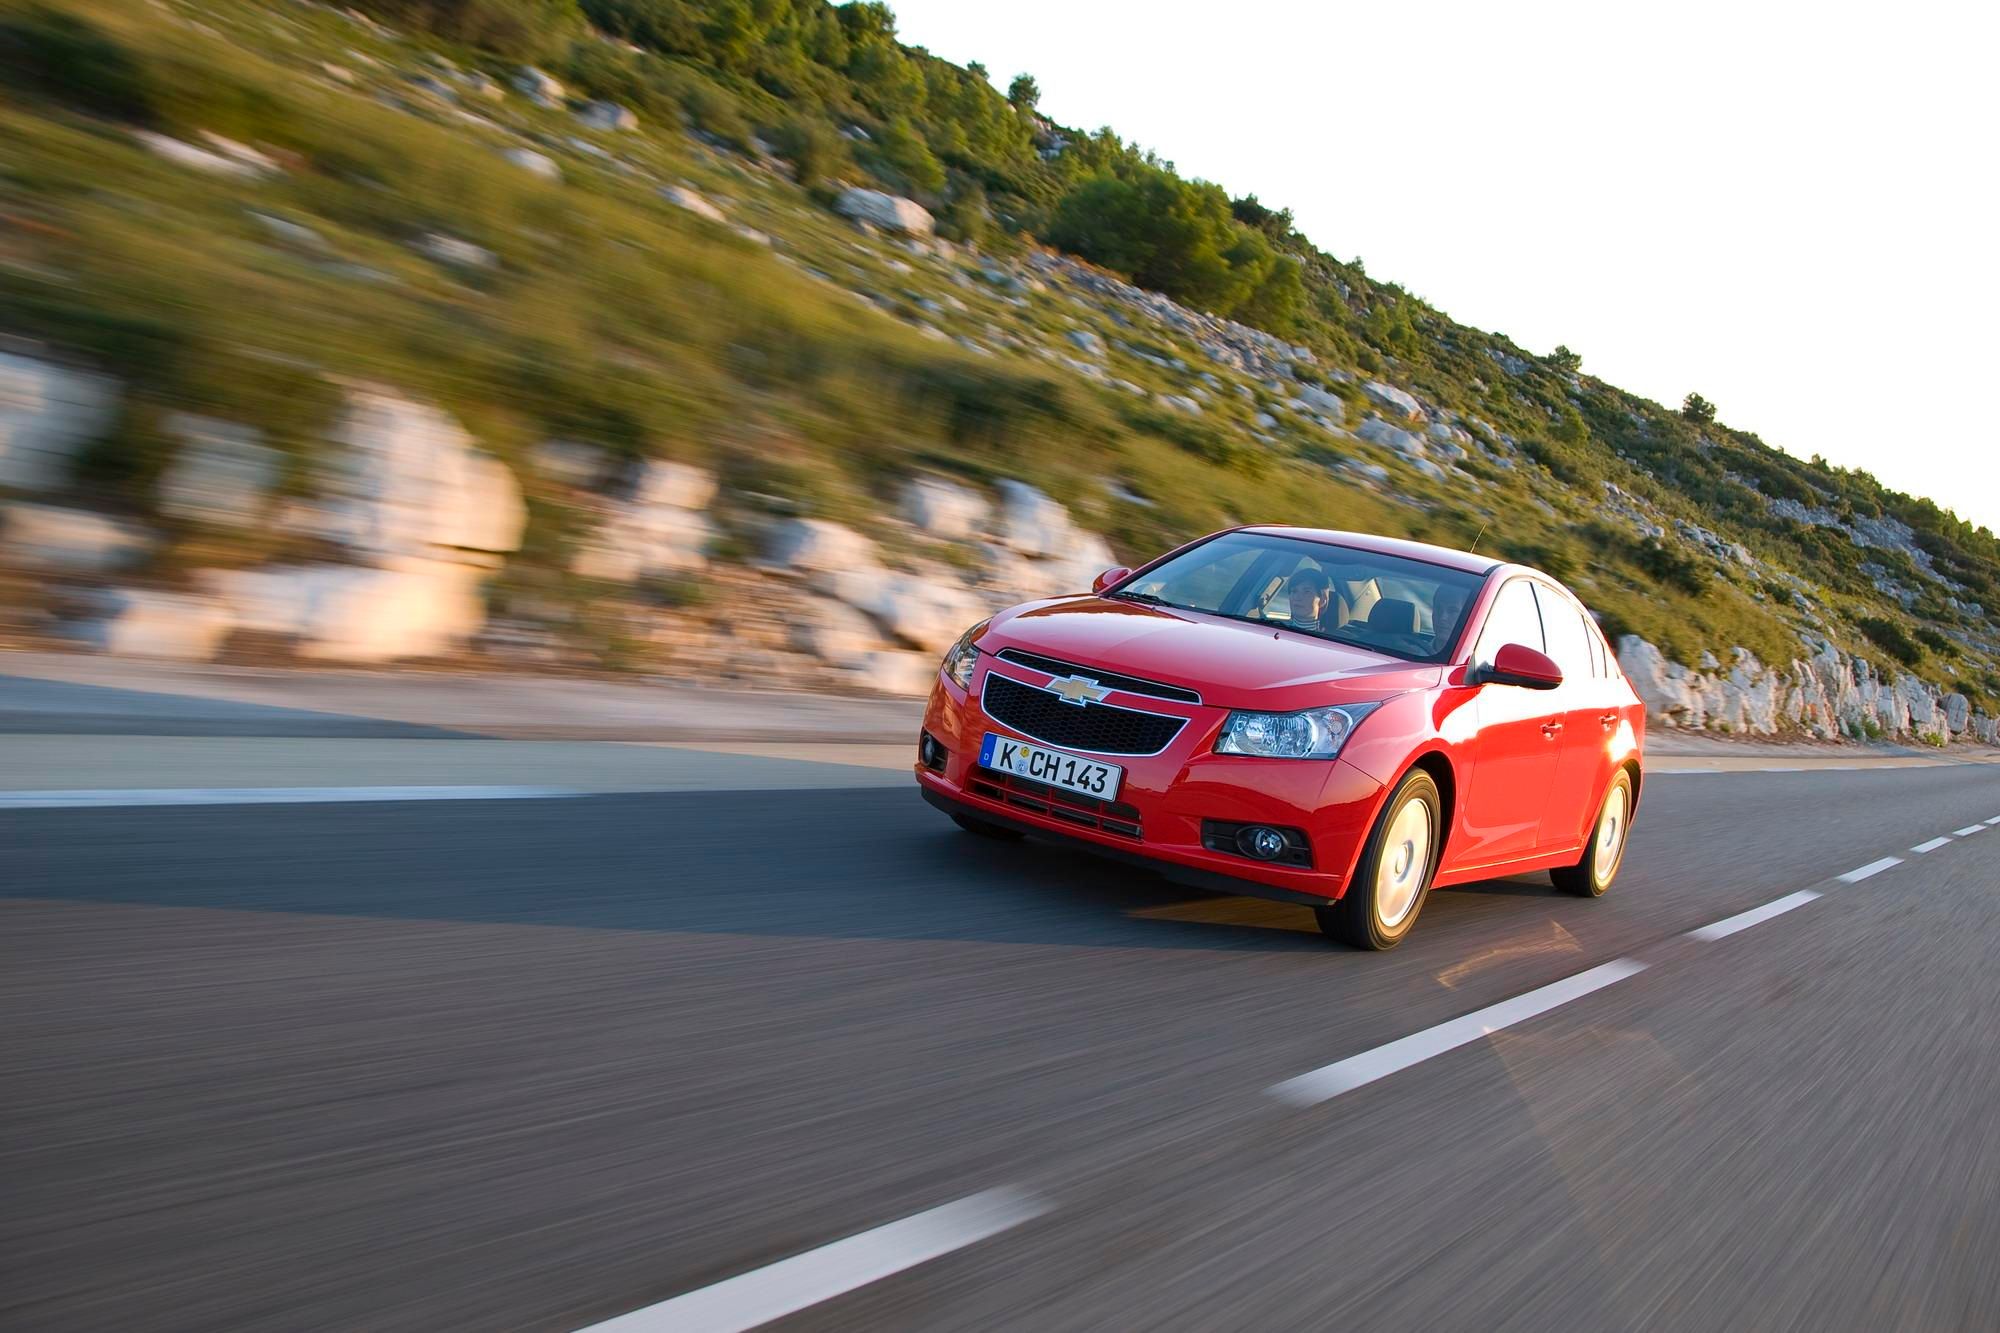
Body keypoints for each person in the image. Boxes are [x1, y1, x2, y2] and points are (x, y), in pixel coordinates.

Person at [1286, 567, 1335, 633]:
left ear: (1322, 600)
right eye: (1294, 591)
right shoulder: (1274, 628)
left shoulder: (1330, 641)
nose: (1297, 597)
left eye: (1307, 592)